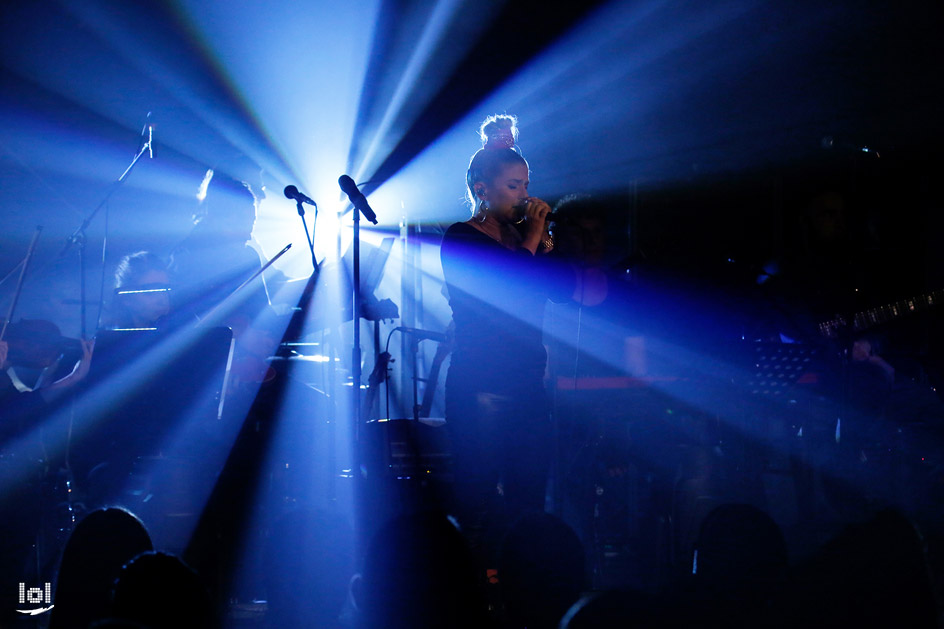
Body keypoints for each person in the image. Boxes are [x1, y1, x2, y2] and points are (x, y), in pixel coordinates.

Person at [439, 114, 570, 559]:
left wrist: (546, 243)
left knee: (528, 501)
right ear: (482, 189)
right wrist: (532, 238)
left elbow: (561, 294)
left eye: (526, 184)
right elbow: (505, 298)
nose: (525, 195)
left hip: (528, 385)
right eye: (514, 186)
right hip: (482, 388)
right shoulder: (462, 239)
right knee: (478, 500)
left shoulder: (524, 242)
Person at [107, 251, 173, 329]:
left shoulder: (179, 334)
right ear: (126, 297)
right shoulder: (109, 338)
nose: (162, 301)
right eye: (151, 291)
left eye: (165, 290)